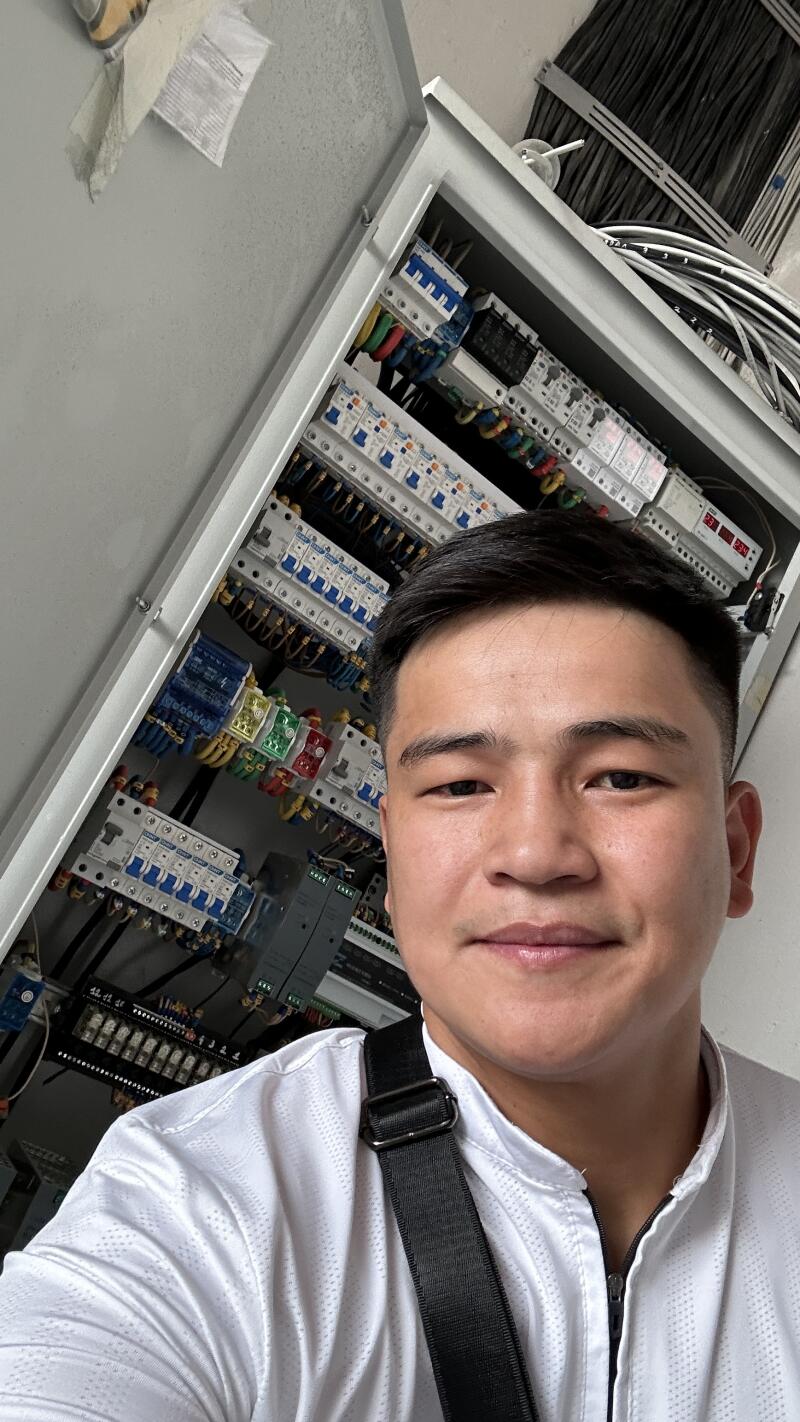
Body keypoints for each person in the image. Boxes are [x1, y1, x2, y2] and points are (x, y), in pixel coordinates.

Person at [0, 505, 796, 1422]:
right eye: (460, 785)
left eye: (621, 777)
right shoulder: (197, 1204)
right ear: (390, 858)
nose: (536, 854)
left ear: (737, 851)